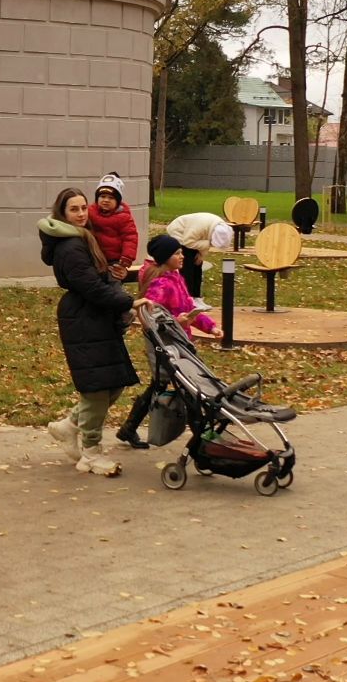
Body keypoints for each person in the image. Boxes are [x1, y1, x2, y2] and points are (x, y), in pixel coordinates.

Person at [38, 187, 138, 477]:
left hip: (94, 316)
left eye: (84, 208)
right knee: (96, 388)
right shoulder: (71, 246)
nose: (81, 214)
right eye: (74, 209)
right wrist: (127, 300)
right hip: (83, 317)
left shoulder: (82, 237)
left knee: (114, 382)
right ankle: (91, 454)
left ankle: (68, 426)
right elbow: (90, 287)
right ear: (63, 213)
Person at [115, 234, 218, 449]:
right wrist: (176, 322)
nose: (182, 256)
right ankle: (203, 437)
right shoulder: (161, 285)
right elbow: (150, 318)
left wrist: (210, 326)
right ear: (165, 257)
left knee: (163, 385)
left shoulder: (176, 277)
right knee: (186, 387)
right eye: (177, 253)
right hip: (164, 344)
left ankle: (129, 428)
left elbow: (189, 308)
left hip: (179, 341)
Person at [162, 211, 236, 298]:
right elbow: (188, 242)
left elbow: (205, 240)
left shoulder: (219, 227)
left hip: (194, 237)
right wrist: (208, 244)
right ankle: (187, 297)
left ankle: (196, 297)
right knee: (187, 266)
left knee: (197, 265)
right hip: (180, 233)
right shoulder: (199, 228)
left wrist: (201, 255)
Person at [86, 173, 140, 277]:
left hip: (113, 259)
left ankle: (116, 292)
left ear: (118, 202)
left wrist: (127, 257)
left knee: (113, 279)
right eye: (102, 196)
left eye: (111, 198)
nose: (106, 200)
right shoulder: (90, 212)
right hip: (94, 256)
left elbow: (130, 237)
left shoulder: (123, 217)